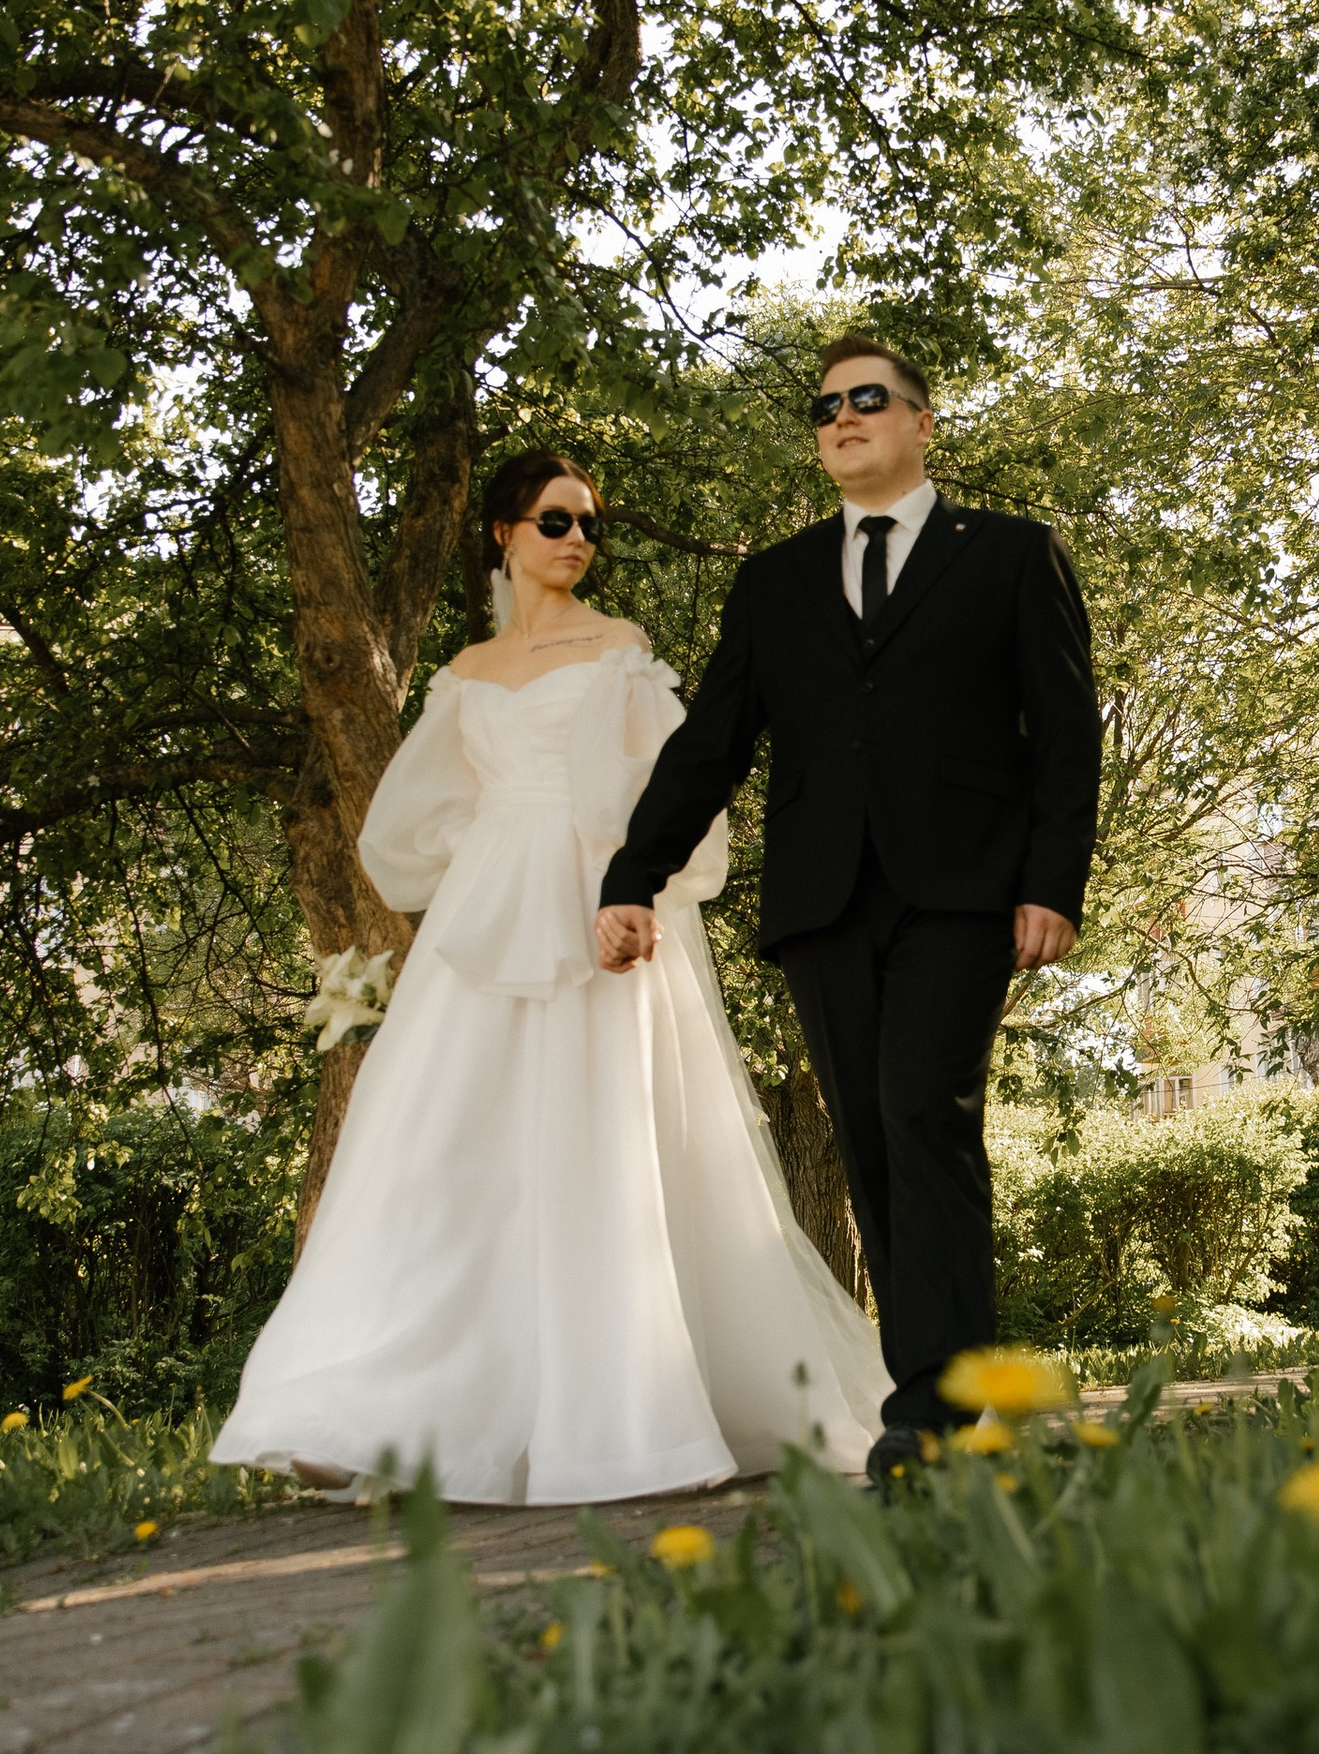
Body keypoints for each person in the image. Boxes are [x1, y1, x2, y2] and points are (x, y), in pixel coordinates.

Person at [213, 451, 887, 1502]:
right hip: (486, 921)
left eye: (589, 524)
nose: (578, 539)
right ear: (504, 532)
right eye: (555, 520)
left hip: (597, 904)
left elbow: (673, 787)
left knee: (601, 1145)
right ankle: (368, 1414)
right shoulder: (466, 672)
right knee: (440, 1154)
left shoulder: (619, 649)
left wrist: (642, 892)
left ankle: (632, 1420)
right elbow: (416, 816)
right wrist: (484, 857)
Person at [595, 336, 1101, 1485]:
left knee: (924, 1110)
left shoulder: (1011, 555)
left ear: (922, 422)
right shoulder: (773, 582)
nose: (842, 418)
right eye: (825, 408)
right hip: (822, 900)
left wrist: (1051, 881)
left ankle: (931, 1413)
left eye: (868, 399)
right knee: (871, 1136)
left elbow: (1066, 733)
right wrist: (633, 875)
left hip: (963, 888)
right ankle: (942, 1391)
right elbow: (711, 745)